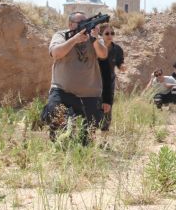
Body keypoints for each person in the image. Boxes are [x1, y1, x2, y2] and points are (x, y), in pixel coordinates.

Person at [40, 11, 108, 145]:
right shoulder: (60, 35)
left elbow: (103, 54)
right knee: (55, 115)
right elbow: (56, 53)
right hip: (62, 91)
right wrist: (74, 40)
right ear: (70, 24)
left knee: (85, 140)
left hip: (89, 95)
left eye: (85, 22)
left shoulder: (94, 37)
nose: (84, 26)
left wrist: (94, 39)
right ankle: (60, 142)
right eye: (80, 23)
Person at [97, 24, 125, 145]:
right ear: (100, 35)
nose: (110, 36)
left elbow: (120, 63)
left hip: (109, 83)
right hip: (94, 82)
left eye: (112, 33)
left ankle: (104, 142)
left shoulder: (117, 49)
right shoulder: (95, 47)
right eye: (107, 33)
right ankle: (89, 138)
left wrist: (122, 67)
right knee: (92, 108)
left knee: (107, 111)